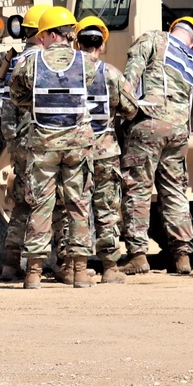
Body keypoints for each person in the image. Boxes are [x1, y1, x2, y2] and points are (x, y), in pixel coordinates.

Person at [9, 6, 96, 289]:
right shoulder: (86, 62)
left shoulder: (31, 63)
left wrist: (37, 108)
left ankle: (33, 273)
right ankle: (80, 272)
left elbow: (17, 95)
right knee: (78, 204)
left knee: (40, 205)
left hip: (44, 142)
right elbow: (89, 87)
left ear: (47, 34)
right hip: (76, 143)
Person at [120, 16, 193, 275]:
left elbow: (130, 78)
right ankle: (182, 256)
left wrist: (124, 109)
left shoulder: (154, 38)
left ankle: (137, 256)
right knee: (175, 191)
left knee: (138, 189)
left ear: (172, 29)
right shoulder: (191, 61)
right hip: (179, 132)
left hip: (150, 123)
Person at [74, 16, 139, 284]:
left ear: (77, 43)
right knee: (106, 209)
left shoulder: (67, 72)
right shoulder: (111, 73)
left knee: (74, 208)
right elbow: (131, 108)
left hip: (75, 151)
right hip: (105, 151)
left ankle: (73, 266)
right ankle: (110, 268)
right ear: (101, 45)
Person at [0, 4, 50, 281]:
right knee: (46, 202)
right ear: (44, 33)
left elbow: (7, 107)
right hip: (41, 139)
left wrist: (12, 141)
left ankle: (10, 262)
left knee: (21, 201)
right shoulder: (44, 62)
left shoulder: (16, 60)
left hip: (19, 139)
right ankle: (41, 266)